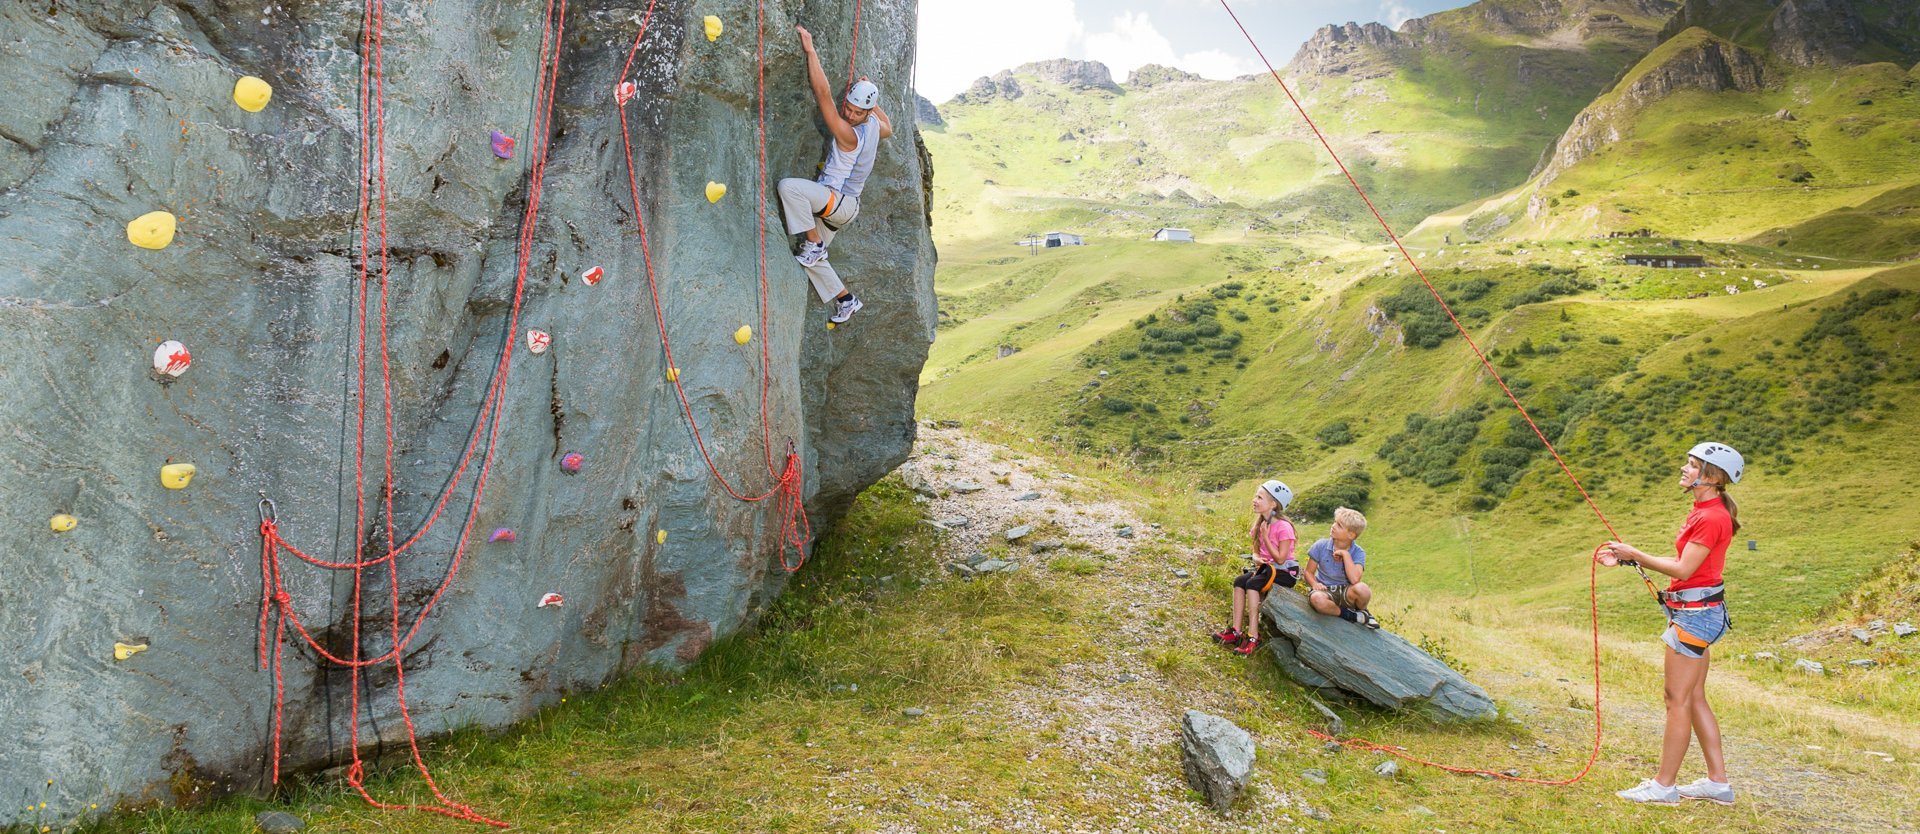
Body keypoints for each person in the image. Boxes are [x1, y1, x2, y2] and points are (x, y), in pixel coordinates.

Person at [1597, 442, 1745, 807]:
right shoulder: (1707, 510)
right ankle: (1718, 783)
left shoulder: (1711, 517)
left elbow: (1682, 570)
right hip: (1702, 612)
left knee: (1675, 699)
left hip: (1695, 616)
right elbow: (1686, 562)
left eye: (1692, 465)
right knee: (1693, 697)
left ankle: (1664, 787)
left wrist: (1635, 553)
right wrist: (1631, 559)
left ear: (1710, 477)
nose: (1684, 468)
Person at [776, 25, 892, 325]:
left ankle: (813, 243)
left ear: (865, 113)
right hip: (843, 209)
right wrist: (873, 103)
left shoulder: (848, 135)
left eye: (857, 112)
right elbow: (889, 127)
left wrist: (811, 51)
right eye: (849, 109)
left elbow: (823, 94)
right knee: (812, 261)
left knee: (790, 188)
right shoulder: (874, 127)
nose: (851, 115)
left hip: (836, 201)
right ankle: (846, 300)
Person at [1213, 480, 1300, 655]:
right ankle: (1236, 631)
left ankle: (1253, 635)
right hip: (1267, 570)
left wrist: (1267, 538)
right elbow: (1255, 552)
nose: (1254, 500)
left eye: (1260, 497)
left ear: (1273, 504)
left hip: (1285, 572)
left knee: (1252, 584)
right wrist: (1257, 558)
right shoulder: (1260, 523)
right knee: (1239, 581)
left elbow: (1281, 560)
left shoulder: (1284, 527)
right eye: (1256, 496)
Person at [1303, 507, 1379, 629]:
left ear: (1351, 535)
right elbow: (1308, 572)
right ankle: (1351, 615)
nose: (1333, 526)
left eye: (1339, 525)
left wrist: (1346, 555)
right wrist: (1314, 584)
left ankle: (1362, 611)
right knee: (1317, 599)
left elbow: (1355, 580)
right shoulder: (1320, 546)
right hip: (1325, 590)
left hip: (1346, 591)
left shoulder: (1358, 552)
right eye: (1334, 522)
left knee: (1363, 590)